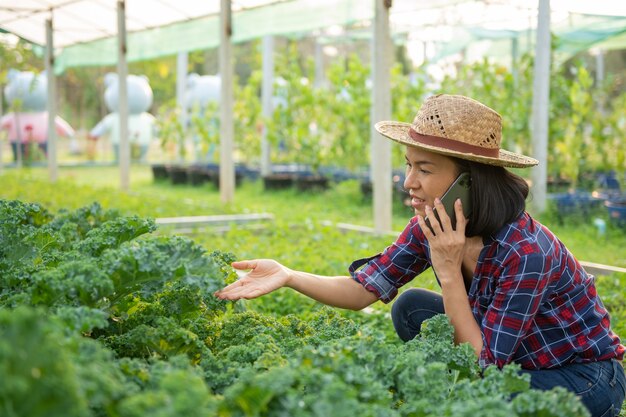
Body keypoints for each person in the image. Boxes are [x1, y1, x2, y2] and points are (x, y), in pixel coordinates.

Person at [214, 94, 625, 417]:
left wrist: (447, 271)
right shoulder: (431, 222)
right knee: (409, 307)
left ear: (468, 181)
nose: (409, 181)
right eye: (409, 166)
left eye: (424, 170)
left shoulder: (526, 252)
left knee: (483, 393)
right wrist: (287, 274)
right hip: (506, 356)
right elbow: (363, 290)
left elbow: (484, 368)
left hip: (583, 379)